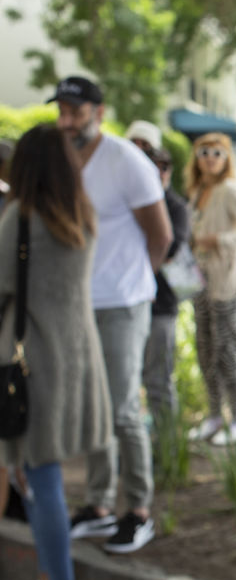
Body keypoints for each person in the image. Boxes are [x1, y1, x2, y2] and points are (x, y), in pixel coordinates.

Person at [0, 125, 112, 580]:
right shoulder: (80, 217)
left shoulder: (19, 220)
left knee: (39, 480)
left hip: (29, 367)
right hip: (74, 360)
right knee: (40, 478)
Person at [54, 77, 172, 555]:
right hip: (78, 303)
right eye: (61, 110)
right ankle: (99, 505)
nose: (66, 119)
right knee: (92, 405)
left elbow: (160, 235)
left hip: (124, 303)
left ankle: (139, 511)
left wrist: (134, 281)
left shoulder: (125, 159)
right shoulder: (61, 159)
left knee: (123, 407)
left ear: (99, 112)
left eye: (75, 111)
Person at [185, 132, 236, 445]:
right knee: (205, 348)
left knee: (227, 349)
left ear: (226, 157)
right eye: (204, 152)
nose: (210, 158)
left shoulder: (229, 190)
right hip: (198, 279)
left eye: (217, 152)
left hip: (224, 280)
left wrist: (220, 239)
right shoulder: (197, 190)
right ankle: (215, 414)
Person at [140, 146, 190, 456]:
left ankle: (168, 452)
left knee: (159, 381)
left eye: (162, 166)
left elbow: (169, 246)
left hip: (161, 305)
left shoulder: (175, 207)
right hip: (132, 306)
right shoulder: (132, 204)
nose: (156, 173)